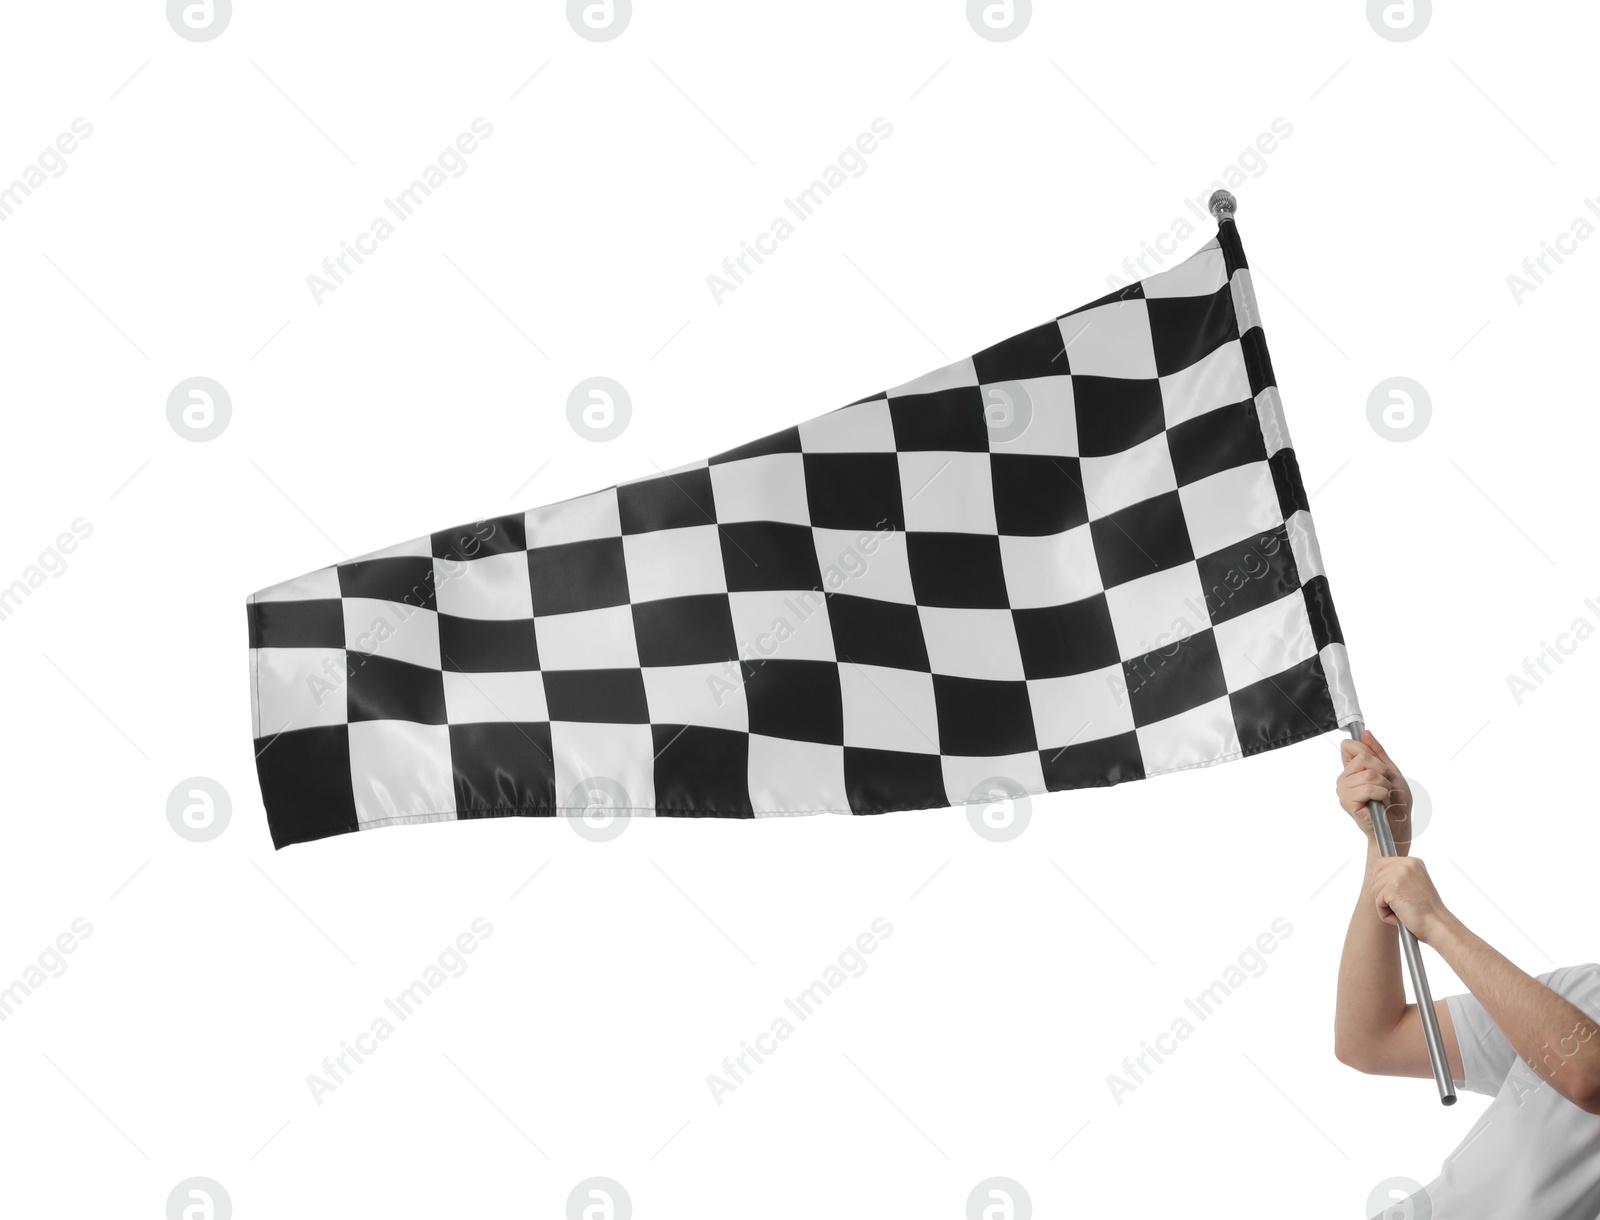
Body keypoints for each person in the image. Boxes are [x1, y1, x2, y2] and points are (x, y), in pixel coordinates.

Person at [1334, 731, 1600, 1218]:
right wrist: (1383, 848)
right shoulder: (1586, 994)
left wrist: (1435, 921)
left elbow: (1590, 1078)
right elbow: (1370, 1039)